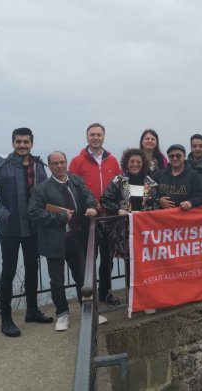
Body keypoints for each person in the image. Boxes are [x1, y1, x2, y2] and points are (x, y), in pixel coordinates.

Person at [0, 127, 53, 337]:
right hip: (10, 229)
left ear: (32, 143)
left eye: (26, 142)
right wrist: (2, 214)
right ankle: (6, 319)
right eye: (18, 142)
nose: (22, 145)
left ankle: (32, 310)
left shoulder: (39, 166)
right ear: (13, 143)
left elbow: (44, 194)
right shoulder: (2, 165)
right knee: (8, 272)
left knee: (32, 269)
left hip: (32, 228)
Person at [28, 151, 101, 331]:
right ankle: (62, 314)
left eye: (62, 162)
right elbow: (34, 213)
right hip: (54, 241)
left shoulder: (76, 181)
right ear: (50, 166)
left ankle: (89, 313)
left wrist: (91, 206)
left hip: (76, 238)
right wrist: (60, 218)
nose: (59, 166)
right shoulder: (41, 188)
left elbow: (88, 195)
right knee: (57, 281)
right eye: (55, 163)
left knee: (83, 278)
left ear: (66, 162)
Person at [68, 123, 123, 306]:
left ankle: (105, 292)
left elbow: (121, 185)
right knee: (89, 259)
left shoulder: (113, 160)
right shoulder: (77, 161)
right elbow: (73, 188)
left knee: (108, 258)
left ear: (104, 137)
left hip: (109, 217)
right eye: (92, 134)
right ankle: (88, 297)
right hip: (88, 217)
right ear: (87, 137)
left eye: (99, 134)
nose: (95, 137)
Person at [101, 148, 160, 313]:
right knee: (130, 265)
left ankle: (147, 299)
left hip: (146, 231)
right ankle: (134, 299)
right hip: (125, 231)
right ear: (126, 163)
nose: (135, 164)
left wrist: (147, 213)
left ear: (143, 164)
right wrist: (118, 210)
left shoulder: (151, 182)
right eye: (132, 162)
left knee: (147, 264)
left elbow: (156, 203)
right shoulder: (119, 181)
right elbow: (105, 200)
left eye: (138, 162)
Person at [156, 144, 202, 210]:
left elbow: (200, 196)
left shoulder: (195, 176)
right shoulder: (159, 175)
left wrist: (190, 203)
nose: (175, 158)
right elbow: (151, 193)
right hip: (163, 216)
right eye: (171, 156)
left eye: (178, 156)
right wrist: (159, 200)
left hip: (185, 216)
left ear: (184, 156)